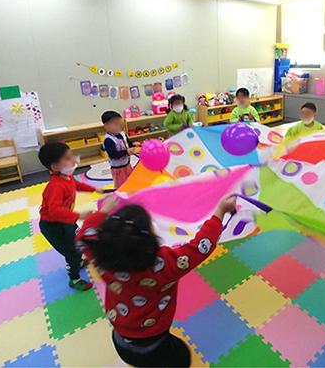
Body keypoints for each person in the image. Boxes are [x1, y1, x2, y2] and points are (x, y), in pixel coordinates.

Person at [76, 194, 237, 367]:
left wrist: (104, 211)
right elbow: (200, 247)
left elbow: (84, 237)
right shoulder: (164, 264)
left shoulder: (102, 257)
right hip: (155, 343)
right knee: (182, 359)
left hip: (120, 338)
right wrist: (220, 212)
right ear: (149, 242)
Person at [38, 142, 99, 291]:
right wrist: (79, 215)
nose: (73, 160)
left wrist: (94, 189)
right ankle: (74, 279)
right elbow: (54, 211)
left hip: (66, 219)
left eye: (71, 156)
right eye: (67, 158)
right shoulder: (56, 186)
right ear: (55, 167)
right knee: (72, 252)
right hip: (53, 226)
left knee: (78, 242)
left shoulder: (67, 177)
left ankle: (78, 261)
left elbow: (76, 185)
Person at [101, 111, 139, 189]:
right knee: (121, 185)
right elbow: (113, 155)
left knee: (130, 180)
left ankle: (130, 191)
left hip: (127, 164)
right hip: (118, 168)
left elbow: (127, 143)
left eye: (120, 123)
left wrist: (133, 145)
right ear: (106, 126)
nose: (119, 126)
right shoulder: (108, 140)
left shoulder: (122, 134)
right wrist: (126, 152)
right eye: (116, 124)